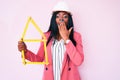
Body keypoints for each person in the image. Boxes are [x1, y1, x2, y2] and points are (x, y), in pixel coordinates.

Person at [18, 1, 84, 80]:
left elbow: (78, 61)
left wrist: (66, 39)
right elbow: (39, 58)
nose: (61, 19)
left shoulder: (76, 36)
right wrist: (25, 51)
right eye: (57, 16)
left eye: (65, 16)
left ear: (69, 20)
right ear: (54, 19)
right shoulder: (46, 36)